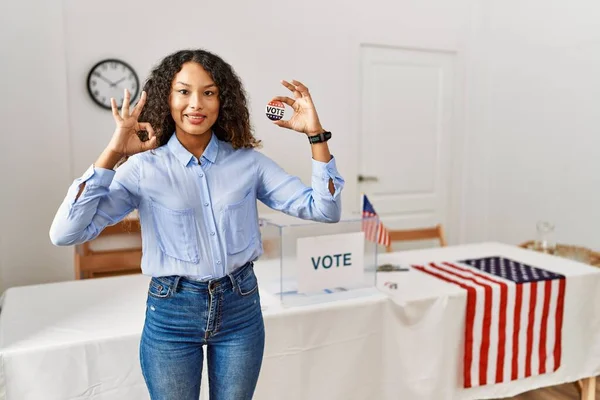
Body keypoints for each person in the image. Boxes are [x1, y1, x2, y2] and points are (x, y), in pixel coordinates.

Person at [49, 49, 344, 400]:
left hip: (240, 310)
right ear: (167, 98)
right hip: (172, 313)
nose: (196, 104)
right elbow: (65, 233)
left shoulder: (248, 163)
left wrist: (316, 136)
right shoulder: (143, 167)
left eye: (208, 92)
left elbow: (325, 210)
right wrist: (113, 153)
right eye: (184, 91)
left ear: (222, 101)